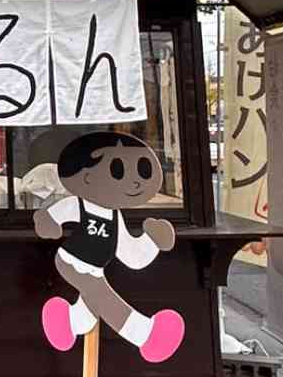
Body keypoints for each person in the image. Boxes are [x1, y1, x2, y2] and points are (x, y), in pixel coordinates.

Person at [34, 131, 185, 364]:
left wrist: (152, 241)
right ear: (86, 178)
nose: (134, 181)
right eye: (118, 170)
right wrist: (48, 224)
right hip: (70, 261)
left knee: (92, 302)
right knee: (104, 297)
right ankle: (145, 334)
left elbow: (130, 254)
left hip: (95, 268)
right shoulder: (78, 204)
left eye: (142, 171)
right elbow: (53, 218)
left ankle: (68, 321)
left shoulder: (116, 217)